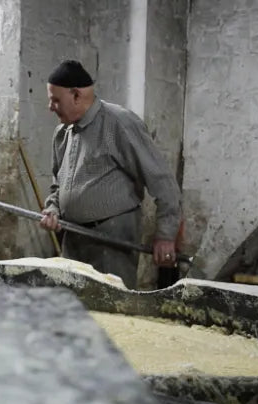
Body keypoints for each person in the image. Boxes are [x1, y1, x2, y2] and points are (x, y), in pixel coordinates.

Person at [38, 60, 181, 288]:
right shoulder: (62, 133)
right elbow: (58, 184)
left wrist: (165, 235)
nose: (50, 106)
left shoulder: (119, 123)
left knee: (113, 311)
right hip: (74, 237)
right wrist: (53, 208)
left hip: (111, 240)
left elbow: (163, 182)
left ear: (76, 95)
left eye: (56, 100)